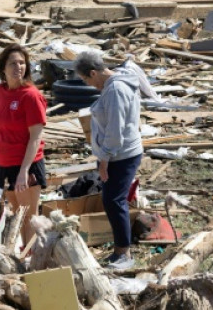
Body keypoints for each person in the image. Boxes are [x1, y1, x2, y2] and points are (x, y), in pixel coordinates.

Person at [74, 50, 143, 271]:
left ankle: (124, 252)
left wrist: (104, 159)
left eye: (87, 79)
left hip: (120, 155)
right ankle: (120, 250)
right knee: (112, 199)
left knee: (114, 201)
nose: (89, 84)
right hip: (118, 154)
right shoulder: (116, 84)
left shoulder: (115, 89)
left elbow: (115, 130)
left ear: (94, 72)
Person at [0, 44, 47, 247]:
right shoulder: (0, 92)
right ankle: (24, 256)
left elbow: (35, 137)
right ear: (3, 68)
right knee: (16, 216)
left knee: (29, 217)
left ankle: (33, 259)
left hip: (26, 164)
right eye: (13, 63)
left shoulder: (30, 96)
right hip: (5, 163)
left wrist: (24, 170)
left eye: (22, 63)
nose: (18, 67)